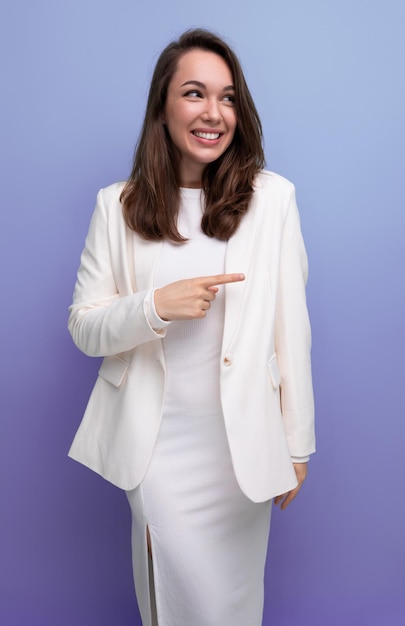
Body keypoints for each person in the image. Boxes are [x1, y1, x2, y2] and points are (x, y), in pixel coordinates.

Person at [68, 28, 315, 626]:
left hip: (242, 455)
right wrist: (154, 306)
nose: (213, 113)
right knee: (175, 608)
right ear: (163, 106)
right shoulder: (117, 206)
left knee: (233, 609)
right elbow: (84, 327)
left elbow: (292, 328)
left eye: (228, 97)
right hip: (158, 455)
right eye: (195, 93)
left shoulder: (272, 200)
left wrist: (298, 443)